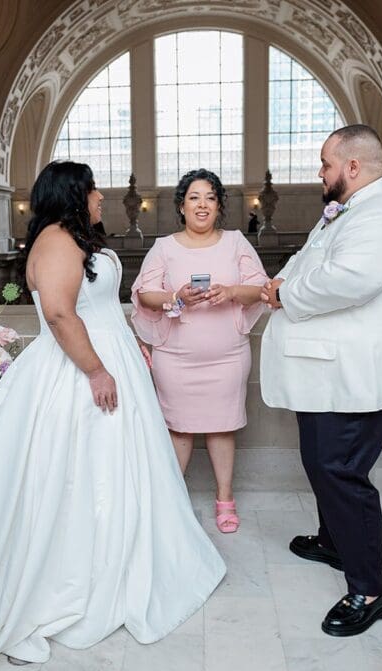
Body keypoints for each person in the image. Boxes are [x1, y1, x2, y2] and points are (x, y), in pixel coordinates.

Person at [0, 160, 225, 671]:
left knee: (116, 467)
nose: (102, 195)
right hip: (77, 372)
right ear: (73, 193)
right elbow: (60, 313)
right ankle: (79, 572)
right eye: (94, 187)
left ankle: (122, 553)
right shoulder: (59, 239)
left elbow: (96, 304)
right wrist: (98, 370)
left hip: (105, 354)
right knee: (81, 472)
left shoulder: (74, 236)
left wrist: (130, 347)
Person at [260, 124, 382, 636]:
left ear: (352, 167)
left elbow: (348, 281)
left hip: (357, 374)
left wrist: (285, 295)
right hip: (330, 371)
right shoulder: (347, 211)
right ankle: (333, 542)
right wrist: (281, 282)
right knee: (321, 461)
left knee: (340, 473)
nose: (321, 173)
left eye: (326, 164)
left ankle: (370, 591)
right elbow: (307, 261)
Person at [131, 168, 268, 533]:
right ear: (182, 206)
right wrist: (176, 297)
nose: (202, 204)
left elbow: (260, 287)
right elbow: (145, 292)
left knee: (223, 429)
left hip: (227, 358)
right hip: (176, 359)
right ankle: (174, 501)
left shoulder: (237, 242)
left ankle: (225, 499)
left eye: (210, 197)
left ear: (220, 205)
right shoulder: (165, 246)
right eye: (194, 197)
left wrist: (231, 292)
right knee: (179, 429)